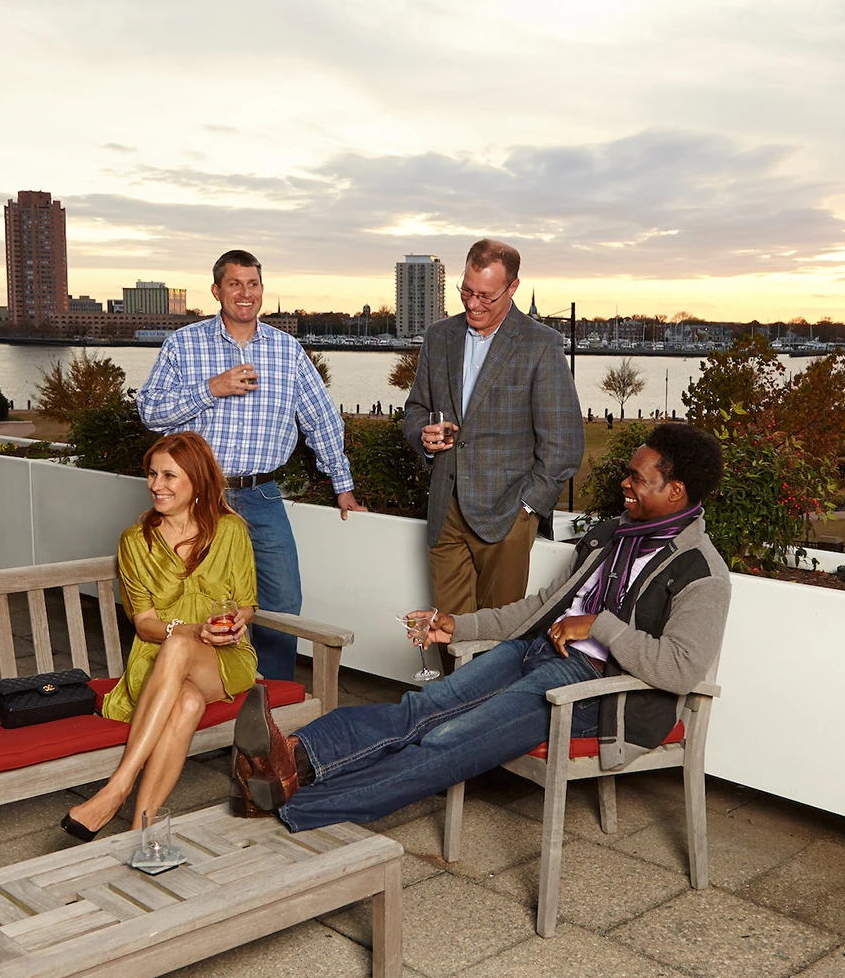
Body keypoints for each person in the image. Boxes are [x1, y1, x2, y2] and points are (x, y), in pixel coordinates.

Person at [232, 423, 727, 829]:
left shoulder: (701, 571)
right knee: (419, 707)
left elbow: (683, 668)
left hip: (592, 690)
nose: (625, 482)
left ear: (675, 490)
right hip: (535, 652)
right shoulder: (610, 537)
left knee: (448, 742)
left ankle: (292, 805)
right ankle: (292, 758)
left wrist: (600, 626)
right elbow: (539, 607)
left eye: (638, 478)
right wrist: (459, 626)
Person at [136, 249, 365, 680]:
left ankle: (272, 700)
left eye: (253, 283)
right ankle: (203, 690)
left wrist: (343, 484)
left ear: (262, 288)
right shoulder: (183, 345)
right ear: (217, 290)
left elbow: (322, 420)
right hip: (196, 496)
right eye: (235, 284)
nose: (245, 293)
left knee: (282, 598)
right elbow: (151, 412)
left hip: (261, 495)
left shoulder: (287, 350)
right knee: (197, 598)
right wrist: (212, 388)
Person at [63, 433, 259, 840]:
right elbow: (144, 623)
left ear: (197, 481)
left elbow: (245, 604)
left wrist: (237, 621)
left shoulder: (231, 531)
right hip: (156, 664)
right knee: (185, 700)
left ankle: (117, 788)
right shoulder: (135, 542)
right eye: (152, 473)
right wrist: (188, 630)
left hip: (221, 660)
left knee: (181, 649)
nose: (156, 484)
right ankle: (142, 832)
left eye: (169, 475)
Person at [402, 238, 585, 616]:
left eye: (485, 296)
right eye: (466, 291)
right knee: (448, 632)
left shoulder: (541, 344)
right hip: (445, 511)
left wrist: (527, 509)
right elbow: (416, 408)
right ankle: (453, 680)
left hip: (508, 517)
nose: (472, 304)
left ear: (513, 287)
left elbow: (564, 445)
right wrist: (422, 434)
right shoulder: (439, 337)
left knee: (495, 640)